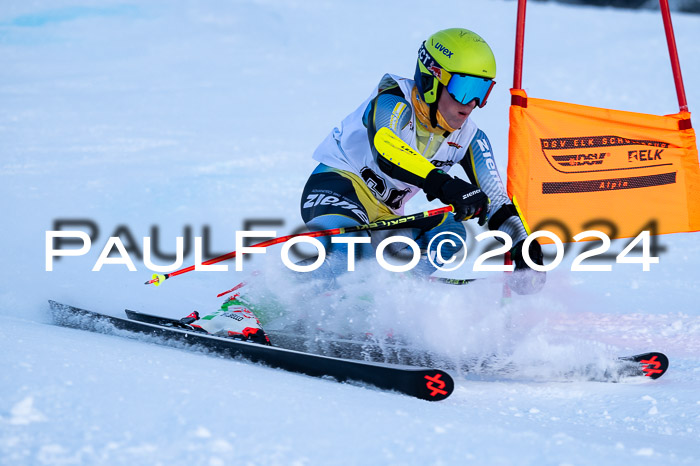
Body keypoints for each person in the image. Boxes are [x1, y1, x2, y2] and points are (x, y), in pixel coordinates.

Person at [300, 28, 546, 294]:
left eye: (482, 91)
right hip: (338, 187)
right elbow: (386, 147)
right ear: (432, 80)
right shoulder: (393, 99)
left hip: (385, 215)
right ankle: (268, 292)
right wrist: (443, 184)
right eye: (464, 89)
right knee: (349, 248)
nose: (472, 103)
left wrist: (524, 247)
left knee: (450, 233)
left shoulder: (471, 137)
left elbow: (497, 201)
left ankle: (390, 296)